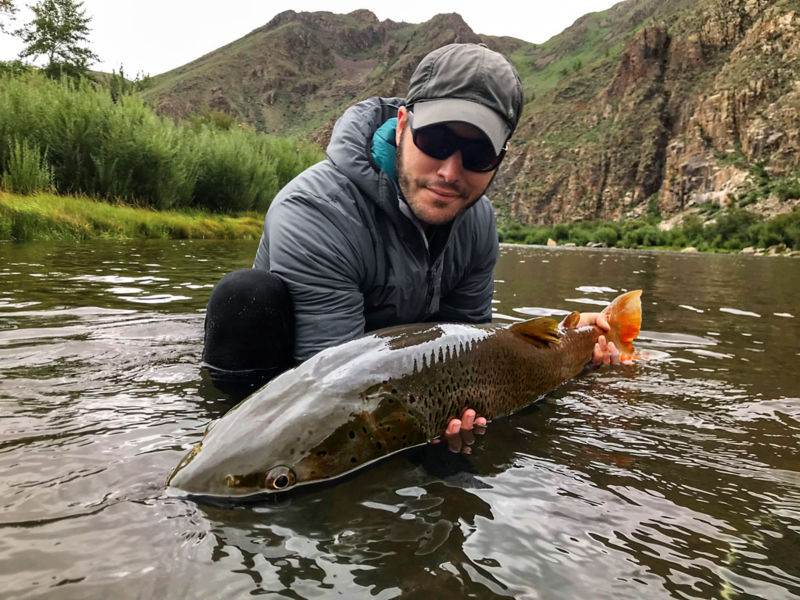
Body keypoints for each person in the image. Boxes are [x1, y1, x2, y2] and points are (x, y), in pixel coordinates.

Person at [202, 43, 622, 447]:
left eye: (478, 155)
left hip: (404, 370)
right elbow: (338, 389)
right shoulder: (315, 211)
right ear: (403, 125)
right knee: (245, 295)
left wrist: (570, 340)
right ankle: (226, 425)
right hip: (303, 375)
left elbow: (471, 345)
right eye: (436, 141)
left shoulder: (478, 221)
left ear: (501, 157)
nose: (449, 171)